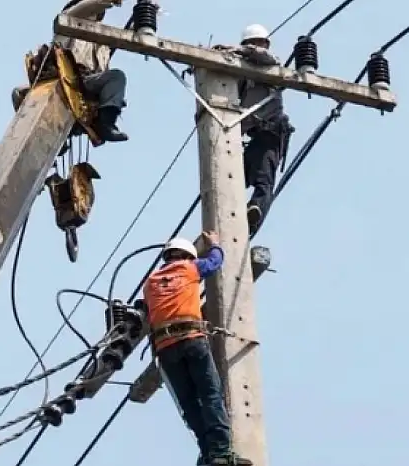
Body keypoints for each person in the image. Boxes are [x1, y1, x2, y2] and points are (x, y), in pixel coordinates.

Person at [143, 233, 251, 466]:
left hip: (166, 348)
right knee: (210, 394)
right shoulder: (189, 268)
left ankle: (208, 451)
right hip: (191, 340)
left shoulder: (150, 282)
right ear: (188, 256)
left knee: (190, 403)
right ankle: (221, 451)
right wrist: (215, 244)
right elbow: (215, 262)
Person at [214, 24, 294, 235]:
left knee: (264, 181)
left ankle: (254, 213)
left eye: (259, 43)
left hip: (271, 135)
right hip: (254, 137)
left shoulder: (271, 66)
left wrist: (238, 50)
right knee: (230, 175)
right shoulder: (242, 76)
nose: (256, 46)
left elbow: (263, 57)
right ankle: (230, 219)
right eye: (252, 43)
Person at [11, 0, 128, 142]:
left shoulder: (102, 41)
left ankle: (106, 124)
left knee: (116, 77)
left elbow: (104, 74)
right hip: (67, 76)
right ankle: (44, 134)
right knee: (19, 92)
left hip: (86, 84)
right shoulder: (69, 19)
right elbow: (88, 6)